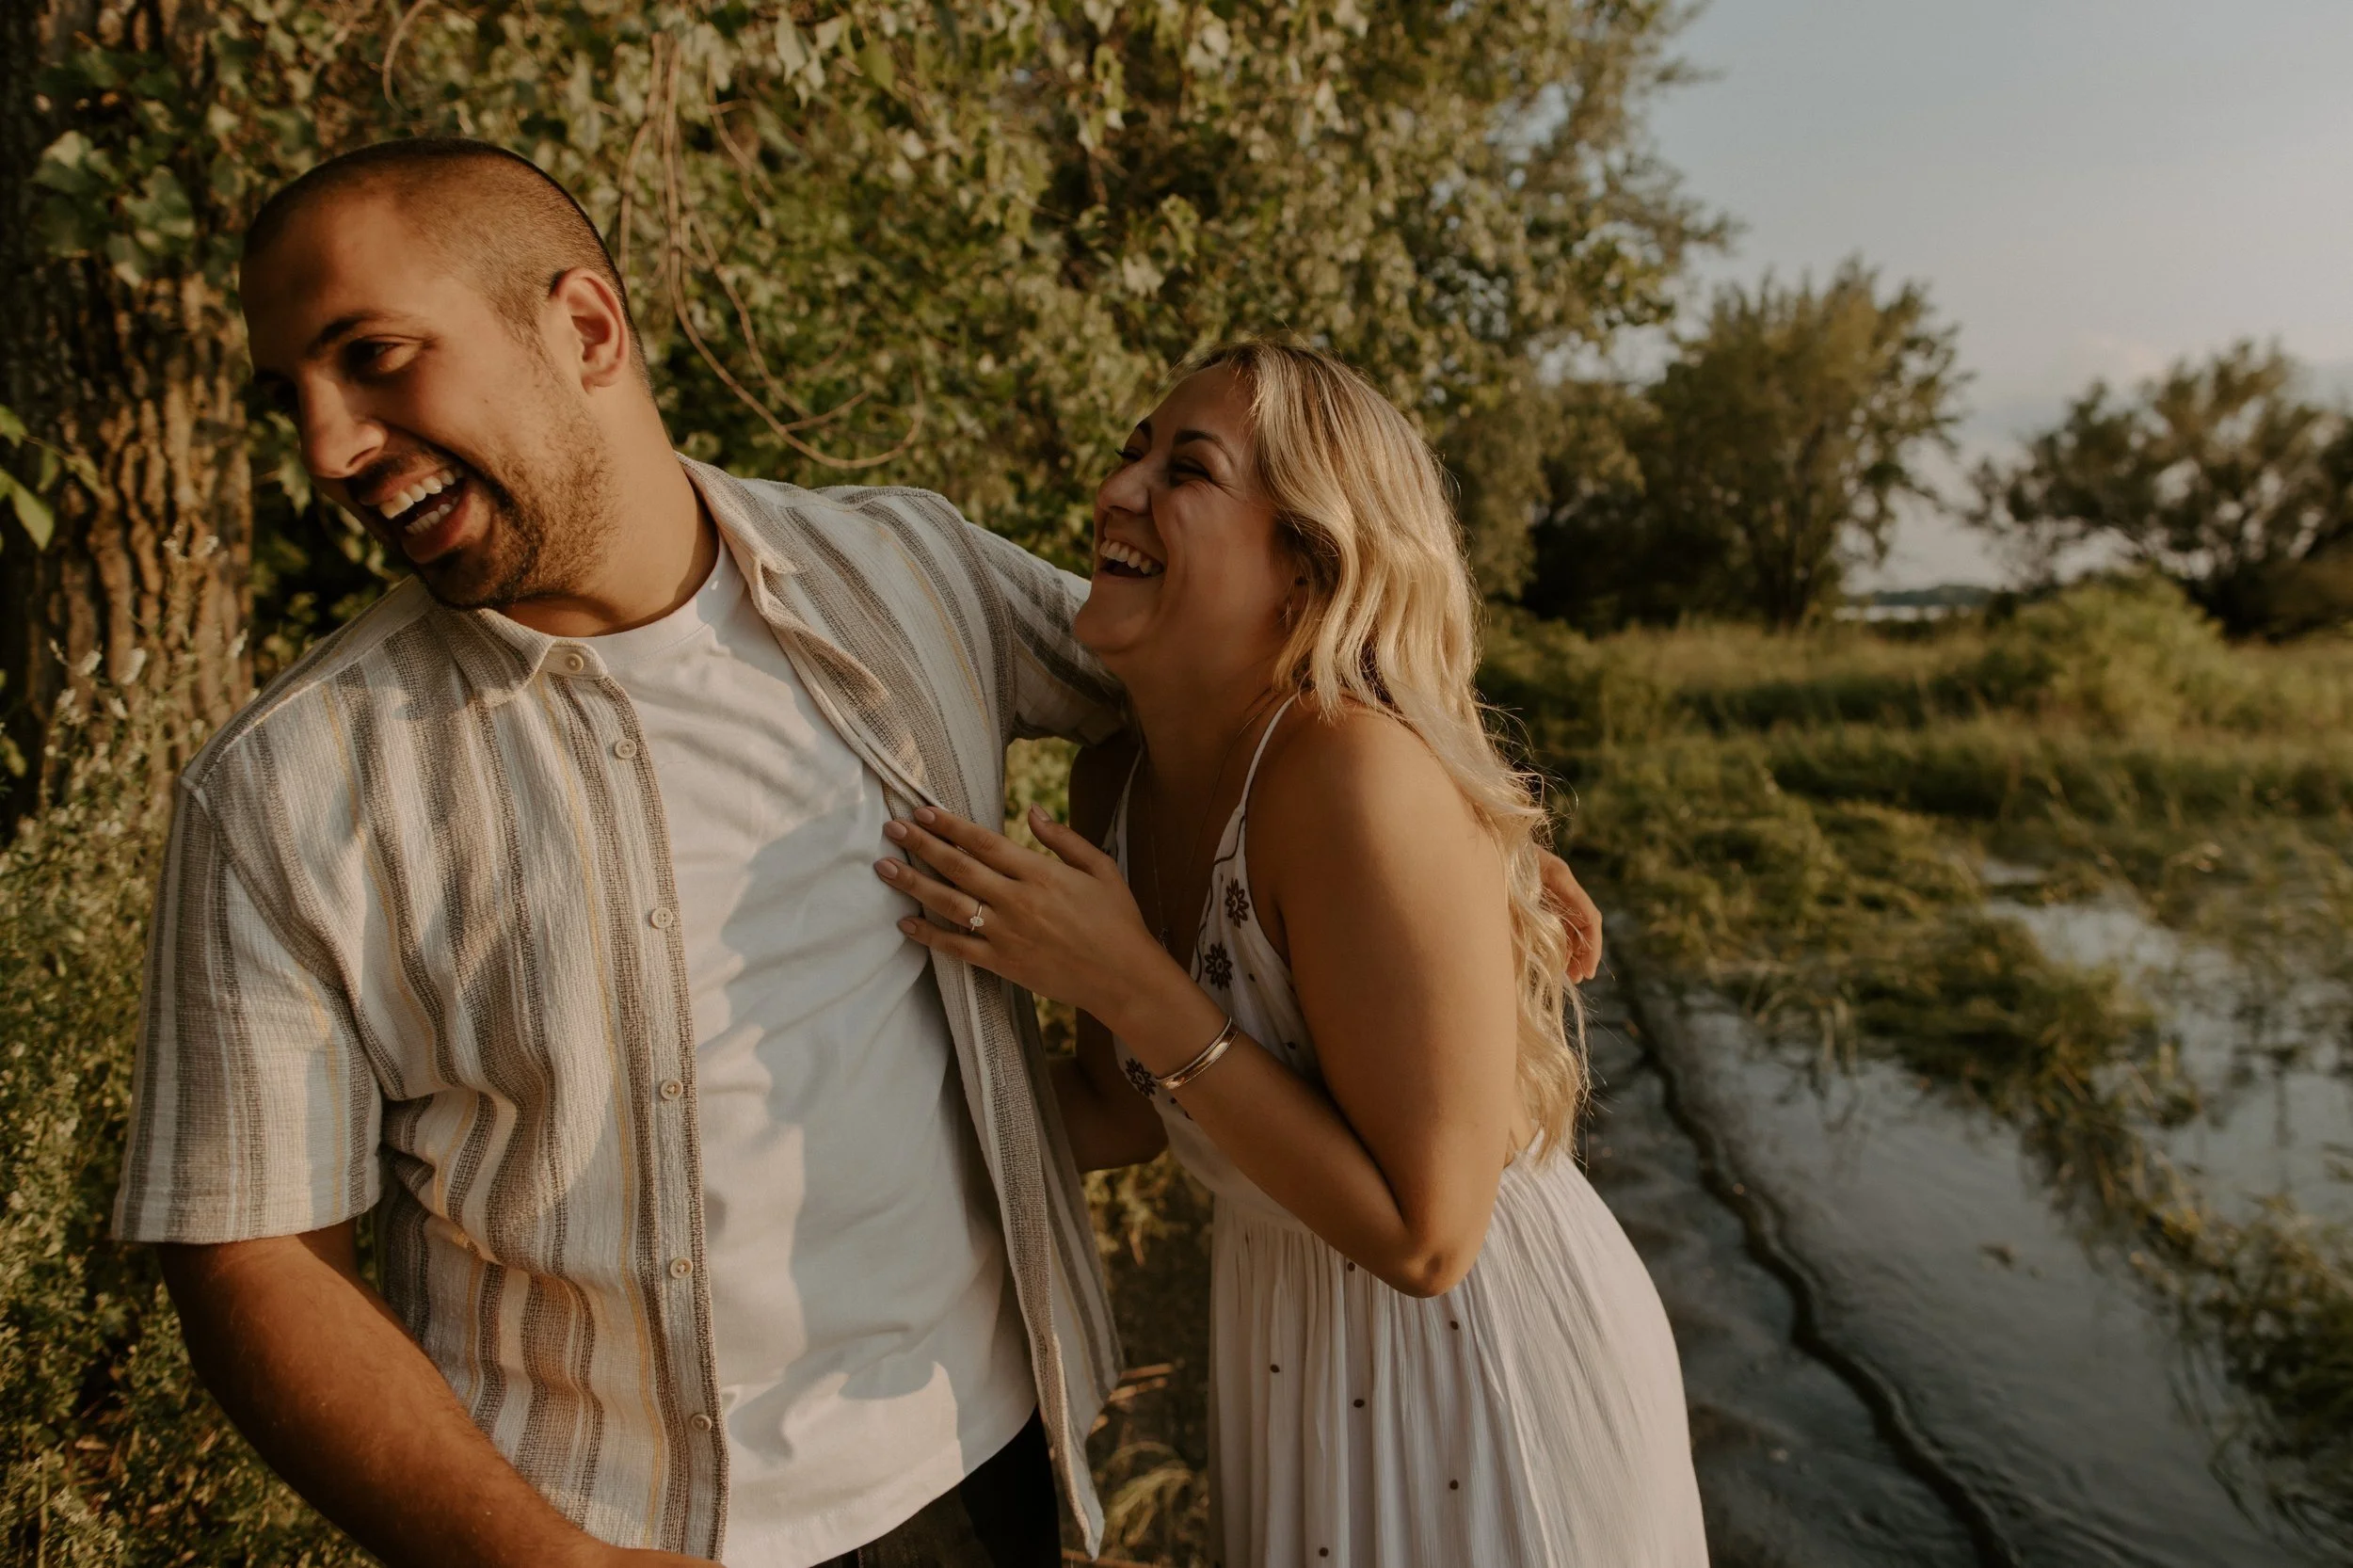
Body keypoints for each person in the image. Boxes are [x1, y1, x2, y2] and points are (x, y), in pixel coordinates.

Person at [113, 141, 1609, 1566]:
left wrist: (1453, 818)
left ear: (585, 328)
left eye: (375, 357)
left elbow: (1233, 657)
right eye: (289, 395)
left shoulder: (912, 572)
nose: (327, 447)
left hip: (975, 1473)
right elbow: (250, 1250)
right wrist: (539, 1554)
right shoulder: (281, 790)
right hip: (599, 1511)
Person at [878, 341, 1707, 1567]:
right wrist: (869, 1099)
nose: (1117, 490)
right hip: (1286, 1345)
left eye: (1186, 469)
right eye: (1131, 453)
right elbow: (1115, 1111)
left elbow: (1429, 1237)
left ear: (1306, 566)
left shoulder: (1351, 775)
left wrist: (1125, 979)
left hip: (1483, 1362)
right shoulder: (1113, 783)